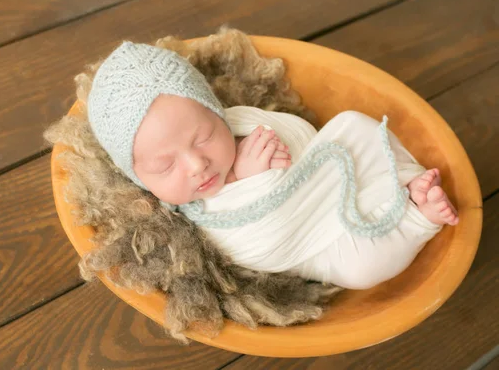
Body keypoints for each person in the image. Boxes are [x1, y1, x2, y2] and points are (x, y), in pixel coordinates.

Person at [86, 41, 458, 290]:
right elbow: (247, 249)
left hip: (334, 179)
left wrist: (281, 150)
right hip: (315, 245)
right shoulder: (185, 215)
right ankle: (414, 218)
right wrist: (254, 181)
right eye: (165, 166)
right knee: (362, 269)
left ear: (216, 111)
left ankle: (406, 184)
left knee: (356, 124)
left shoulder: (241, 124)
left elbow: (302, 134)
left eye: (203, 137)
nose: (197, 164)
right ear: (137, 176)